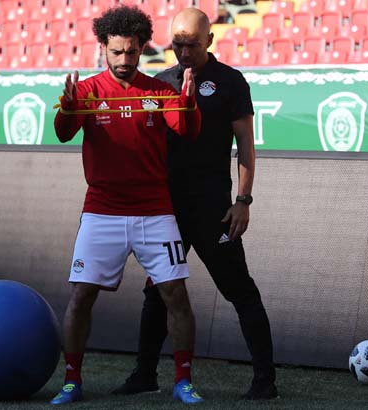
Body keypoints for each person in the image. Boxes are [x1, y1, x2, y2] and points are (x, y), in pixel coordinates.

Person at [112, 7, 278, 400]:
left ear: (210, 41)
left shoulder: (230, 82)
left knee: (239, 290)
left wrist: (243, 200)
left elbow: (246, 148)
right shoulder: (159, 82)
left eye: (192, 45)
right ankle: (145, 374)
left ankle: (265, 380)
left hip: (213, 210)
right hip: (165, 211)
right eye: (177, 44)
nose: (184, 52)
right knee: (157, 292)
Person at [50, 5, 204, 405]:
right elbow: (64, 134)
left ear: (142, 50)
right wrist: (68, 108)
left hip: (155, 210)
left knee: (176, 296)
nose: (123, 60)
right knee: (81, 296)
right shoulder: (86, 92)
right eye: (116, 52)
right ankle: (72, 381)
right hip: (102, 211)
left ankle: (183, 381)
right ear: (103, 47)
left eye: (131, 52)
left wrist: (189, 103)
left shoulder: (159, 91)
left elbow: (186, 131)